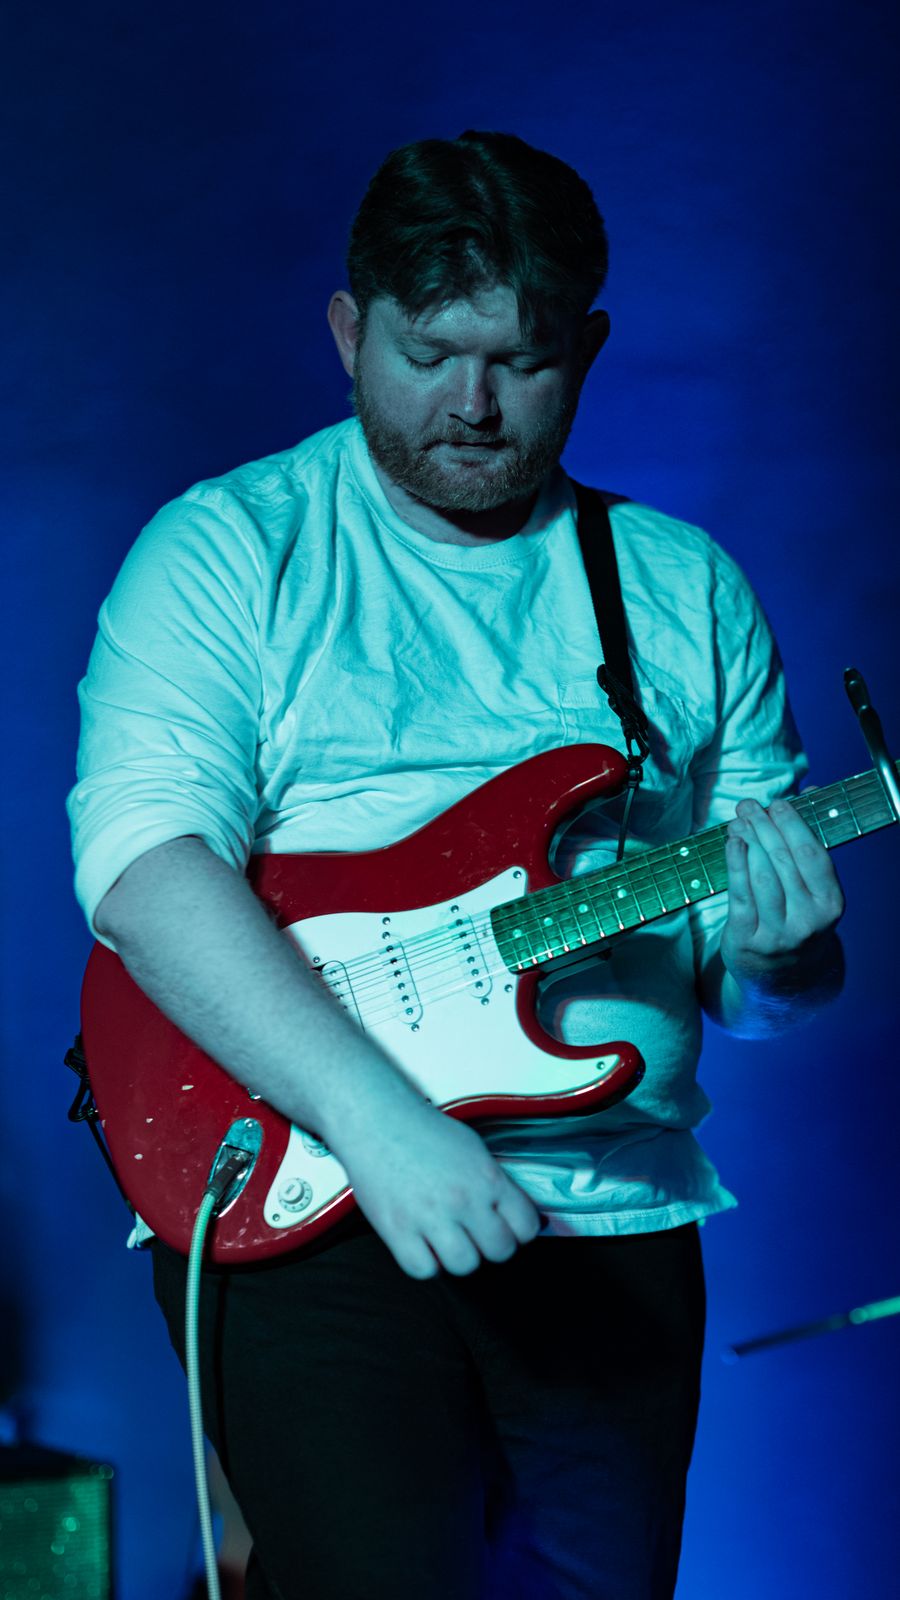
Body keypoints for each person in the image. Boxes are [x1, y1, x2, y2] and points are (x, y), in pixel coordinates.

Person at [67, 130, 846, 1600]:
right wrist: (378, 1120)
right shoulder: (233, 550)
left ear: (589, 349)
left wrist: (784, 951)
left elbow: (752, 993)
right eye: (429, 355)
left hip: (612, 1210)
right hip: (313, 1180)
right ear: (348, 330)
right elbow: (143, 870)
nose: (473, 406)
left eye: (523, 361)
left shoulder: (683, 586)